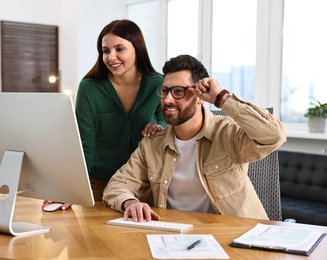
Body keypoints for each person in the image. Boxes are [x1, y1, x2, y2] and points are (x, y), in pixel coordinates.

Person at [103, 54, 287, 221]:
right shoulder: (152, 144)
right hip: (174, 236)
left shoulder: (227, 134)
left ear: (200, 97)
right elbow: (117, 185)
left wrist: (221, 98)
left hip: (232, 236)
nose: (168, 100)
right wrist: (130, 202)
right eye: (165, 91)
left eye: (178, 91)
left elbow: (274, 135)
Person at [43, 20, 165, 210]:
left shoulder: (158, 84)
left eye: (119, 49)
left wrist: (160, 129)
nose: (111, 57)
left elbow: (169, 129)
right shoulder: (89, 88)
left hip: (146, 186)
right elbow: (84, 143)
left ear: (137, 48)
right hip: (99, 184)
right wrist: (72, 188)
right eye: (106, 51)